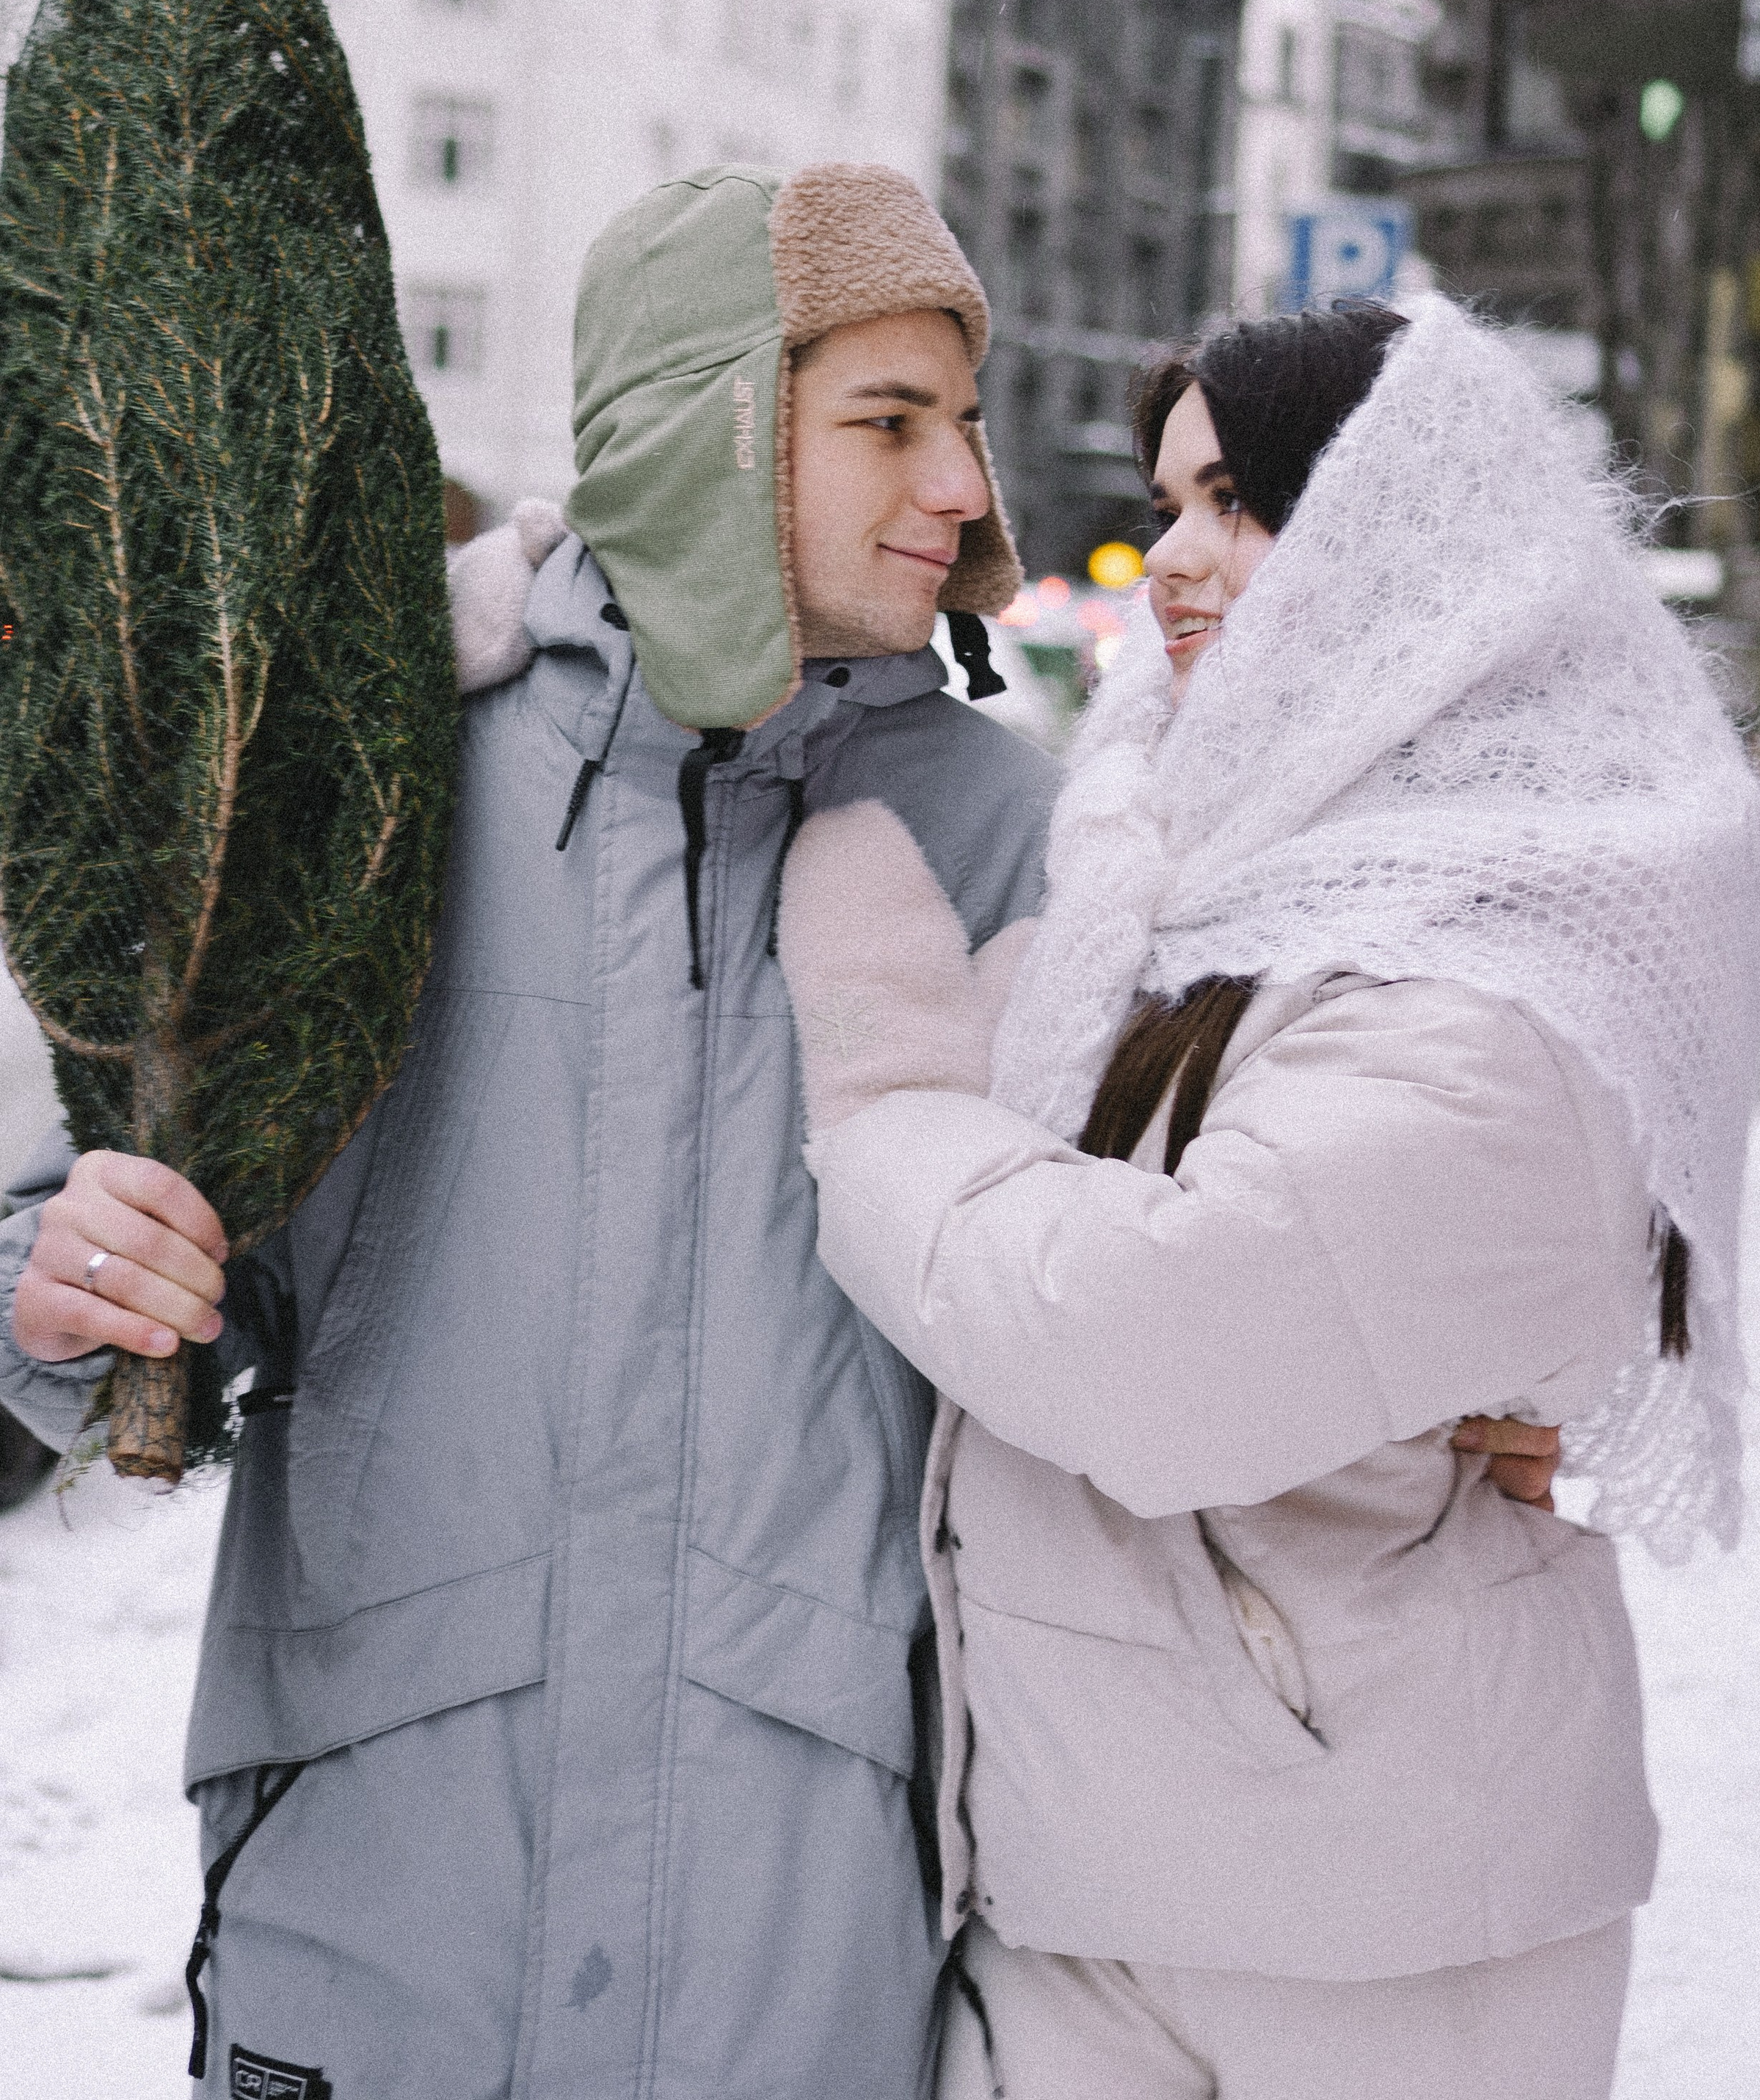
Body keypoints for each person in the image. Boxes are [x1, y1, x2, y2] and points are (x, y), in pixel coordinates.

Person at [0, 192, 1566, 2100]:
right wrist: (67, 1292)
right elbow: (158, 1253)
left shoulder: (1041, 854)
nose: (962, 484)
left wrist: (1457, 1391)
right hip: (378, 1930)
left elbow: (1225, 1273)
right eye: (891, 419)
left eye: (968, 423)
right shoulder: (377, 805)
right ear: (711, 415)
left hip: (813, 1955)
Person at [775, 297, 1760, 2100]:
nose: (1170, 558)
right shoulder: (1191, 865)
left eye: (1237, 502)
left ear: (1408, 541)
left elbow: (1151, 1352)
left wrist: (886, 1108)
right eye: (1167, 501)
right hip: (1103, 1865)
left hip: (1379, 1923)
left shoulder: (1502, 959)